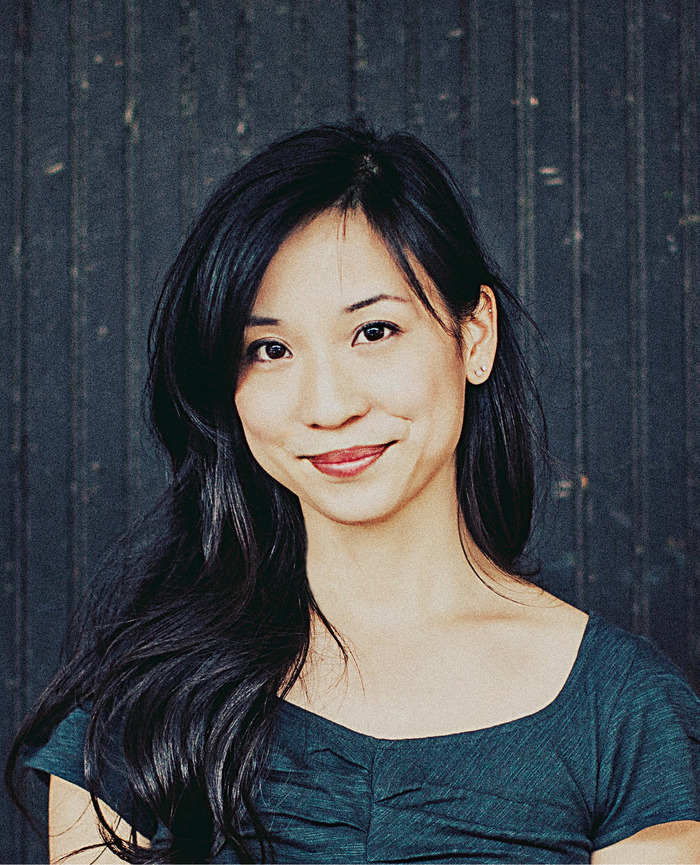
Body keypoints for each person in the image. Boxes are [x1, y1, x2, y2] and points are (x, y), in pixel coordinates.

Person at [6, 122, 700, 864]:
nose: (329, 405)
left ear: (474, 335)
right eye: (270, 349)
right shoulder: (141, 698)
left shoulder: (627, 716)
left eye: (374, 331)